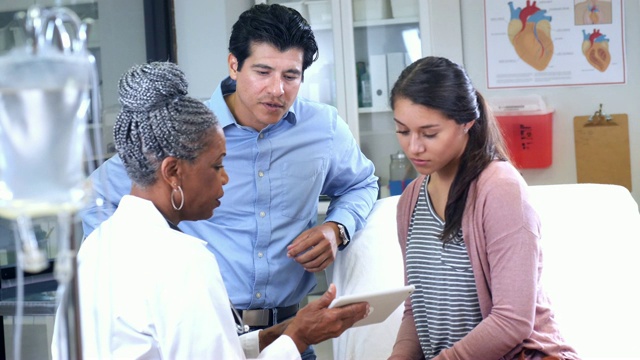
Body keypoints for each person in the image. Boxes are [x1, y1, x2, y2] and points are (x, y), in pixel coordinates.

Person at [80, 4, 378, 359]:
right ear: (234, 65)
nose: (277, 90)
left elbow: (362, 184)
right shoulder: (188, 134)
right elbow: (95, 197)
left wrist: (336, 228)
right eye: (263, 71)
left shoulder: (324, 128)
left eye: (291, 75)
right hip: (200, 325)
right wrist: (150, 268)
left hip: (289, 330)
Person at [386, 56, 580, 360]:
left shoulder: (500, 189)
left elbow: (512, 321)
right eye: (403, 131)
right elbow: (416, 309)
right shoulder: (410, 200)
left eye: (429, 133)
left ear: (467, 122)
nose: (414, 147)